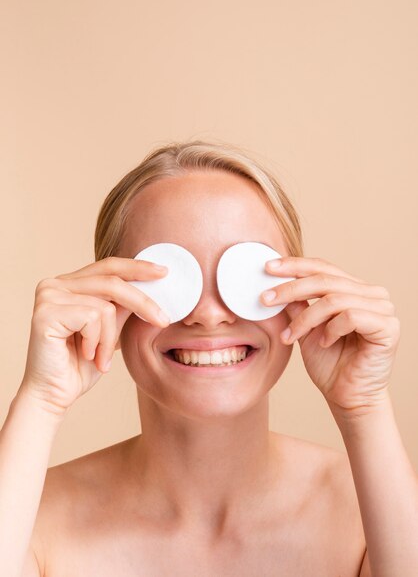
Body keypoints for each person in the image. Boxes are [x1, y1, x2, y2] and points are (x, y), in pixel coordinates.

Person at [1, 140, 417, 577]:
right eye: (169, 281)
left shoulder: (368, 516)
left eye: (245, 276)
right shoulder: (34, 520)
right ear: (109, 302)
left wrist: (365, 406)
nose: (209, 314)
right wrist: (41, 399)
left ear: (302, 294)